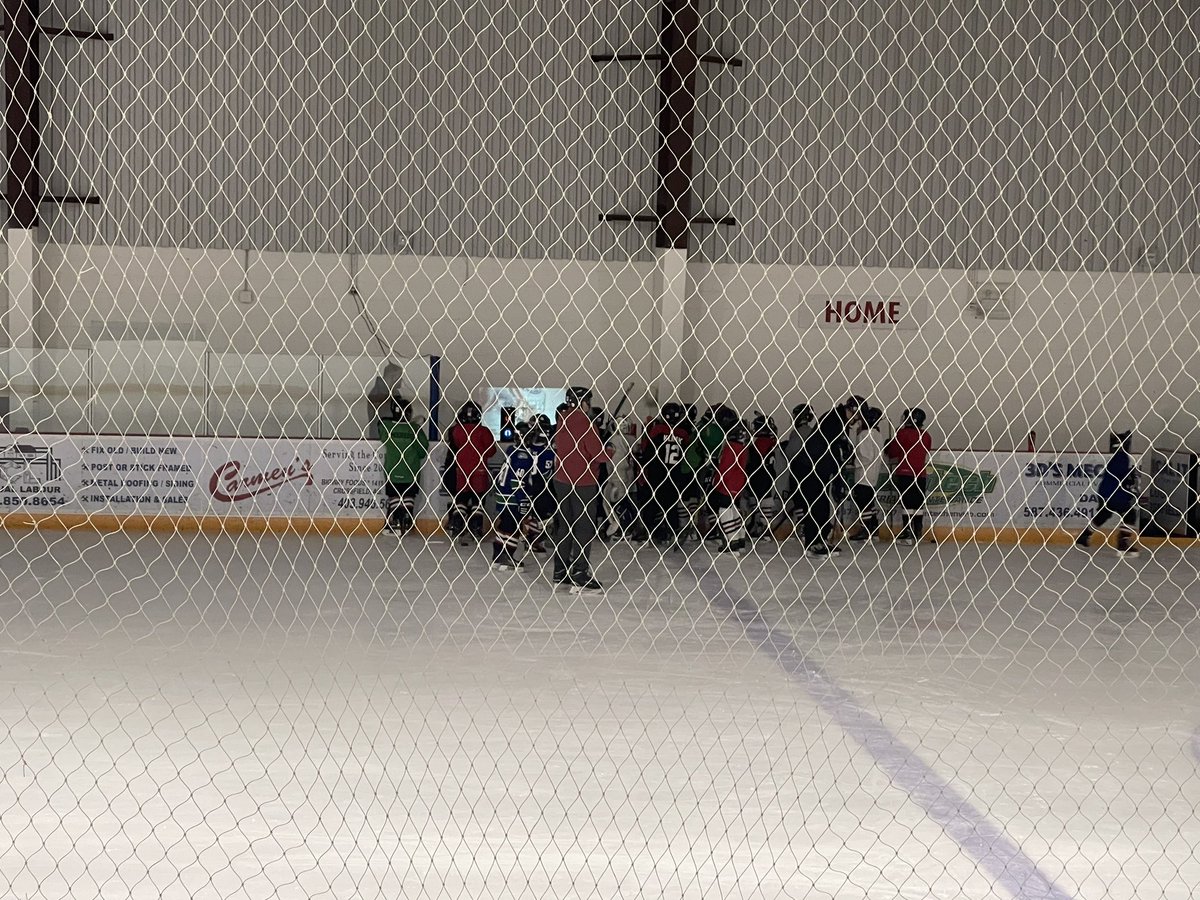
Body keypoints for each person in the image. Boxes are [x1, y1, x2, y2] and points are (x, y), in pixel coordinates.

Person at [552, 386, 612, 591]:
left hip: (561, 479)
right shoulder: (586, 422)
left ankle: (560, 571)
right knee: (584, 527)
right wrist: (609, 449)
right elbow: (596, 453)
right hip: (582, 482)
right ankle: (579, 571)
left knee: (565, 526)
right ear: (583, 401)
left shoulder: (562, 418)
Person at [799, 400, 860, 557]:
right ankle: (812, 543)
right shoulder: (834, 419)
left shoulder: (839, 421)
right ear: (853, 410)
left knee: (823, 504)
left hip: (821, 468)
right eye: (857, 415)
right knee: (815, 505)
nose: (857, 420)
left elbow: (836, 449)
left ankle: (821, 538)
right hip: (811, 467)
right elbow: (832, 447)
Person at [635, 401, 693, 547]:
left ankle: (651, 533)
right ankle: (672, 531)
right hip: (674, 474)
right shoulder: (683, 433)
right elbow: (686, 455)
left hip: (657, 473)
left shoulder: (657, 430)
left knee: (653, 504)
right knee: (671, 505)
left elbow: (647, 450)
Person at [1076, 430, 1142, 556]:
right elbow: (1120, 477)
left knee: (1103, 515)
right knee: (1130, 515)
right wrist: (1129, 476)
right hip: (1115, 493)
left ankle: (1084, 537)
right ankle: (1122, 543)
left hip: (1106, 492)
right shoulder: (1122, 457)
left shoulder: (1116, 457)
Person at [442, 400, 497, 543]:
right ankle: (476, 528)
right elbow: (491, 450)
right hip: (479, 470)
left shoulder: (457, 430)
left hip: (461, 470)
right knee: (477, 500)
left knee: (461, 498)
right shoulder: (483, 431)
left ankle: (457, 525)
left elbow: (455, 446)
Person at [376, 396, 429, 534]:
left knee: (394, 496)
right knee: (408, 496)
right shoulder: (415, 429)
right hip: (411, 471)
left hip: (392, 470)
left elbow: (380, 425)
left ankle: (394, 520)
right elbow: (423, 451)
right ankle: (405, 518)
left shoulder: (387, 427)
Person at [885, 407, 933, 546]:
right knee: (918, 504)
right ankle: (917, 530)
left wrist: (889, 444)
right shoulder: (926, 435)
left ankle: (907, 531)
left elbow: (893, 452)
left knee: (907, 503)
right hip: (920, 474)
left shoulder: (902, 433)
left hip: (905, 473)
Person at [492, 423, 535, 570]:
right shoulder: (523, 456)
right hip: (512, 497)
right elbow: (517, 480)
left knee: (504, 525)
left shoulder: (512, 450)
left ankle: (497, 556)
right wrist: (522, 498)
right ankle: (507, 558)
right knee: (513, 528)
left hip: (503, 494)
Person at [711, 419, 750, 554]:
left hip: (728, 485)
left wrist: (716, 482)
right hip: (738, 485)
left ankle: (732, 543)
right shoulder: (743, 448)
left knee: (725, 511)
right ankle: (740, 541)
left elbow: (725, 469)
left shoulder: (731, 448)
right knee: (734, 510)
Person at [848, 405, 885, 543]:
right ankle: (874, 530)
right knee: (870, 502)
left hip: (863, 474)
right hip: (873, 474)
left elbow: (865, 456)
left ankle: (866, 530)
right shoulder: (878, 435)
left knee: (863, 503)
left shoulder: (864, 434)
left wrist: (853, 461)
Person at [523, 416, 556, 554]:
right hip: (542, 485)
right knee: (544, 513)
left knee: (534, 513)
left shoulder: (528, 448)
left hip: (529, 484)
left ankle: (532, 538)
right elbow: (550, 470)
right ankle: (534, 540)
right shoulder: (549, 451)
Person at [745, 412, 780, 539]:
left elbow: (754, 458)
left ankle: (762, 528)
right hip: (767, 474)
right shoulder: (770, 440)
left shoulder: (761, 442)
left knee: (760, 501)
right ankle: (762, 527)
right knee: (763, 500)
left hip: (759, 475)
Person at [783, 403, 816, 520]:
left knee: (799, 500)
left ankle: (801, 525)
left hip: (799, 472)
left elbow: (790, 452)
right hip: (812, 472)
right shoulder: (813, 431)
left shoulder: (798, 432)